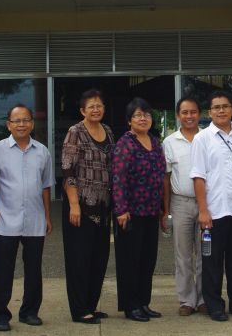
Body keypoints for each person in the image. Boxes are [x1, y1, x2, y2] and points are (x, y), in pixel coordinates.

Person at [189, 89, 232, 322]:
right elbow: (198, 176)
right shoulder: (201, 139)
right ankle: (214, 305)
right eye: (216, 107)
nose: (221, 110)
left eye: (225, 106)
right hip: (215, 210)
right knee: (212, 261)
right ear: (210, 112)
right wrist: (203, 210)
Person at [0, 104, 54, 331]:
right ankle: (0, 315)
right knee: (2, 270)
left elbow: (46, 187)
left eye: (26, 120)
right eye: (17, 121)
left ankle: (29, 311)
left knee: (34, 269)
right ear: (9, 124)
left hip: (35, 220)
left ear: (32, 124)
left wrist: (47, 216)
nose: (22, 124)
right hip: (5, 220)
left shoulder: (42, 151)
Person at [61, 89, 115, 325]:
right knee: (79, 259)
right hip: (80, 206)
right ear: (82, 110)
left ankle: (91, 305)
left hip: (103, 207)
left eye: (99, 105)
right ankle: (79, 309)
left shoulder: (109, 132)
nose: (96, 109)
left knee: (98, 258)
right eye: (91, 106)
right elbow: (68, 170)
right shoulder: (75, 132)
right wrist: (74, 204)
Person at [111, 97, 167, 322]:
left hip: (152, 211)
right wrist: (121, 209)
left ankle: (144, 302)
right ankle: (130, 305)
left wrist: (163, 209)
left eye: (146, 114)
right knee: (130, 261)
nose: (143, 118)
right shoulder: (125, 143)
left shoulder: (155, 142)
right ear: (129, 121)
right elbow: (118, 179)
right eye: (137, 115)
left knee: (147, 260)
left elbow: (161, 177)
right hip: (130, 213)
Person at [161, 97, 206, 316]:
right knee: (183, 254)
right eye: (185, 112)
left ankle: (205, 297)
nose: (189, 116)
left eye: (193, 112)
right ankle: (187, 300)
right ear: (178, 115)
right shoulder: (170, 142)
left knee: (206, 252)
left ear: (200, 113)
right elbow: (166, 179)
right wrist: (166, 210)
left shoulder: (208, 137)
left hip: (207, 204)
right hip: (181, 203)